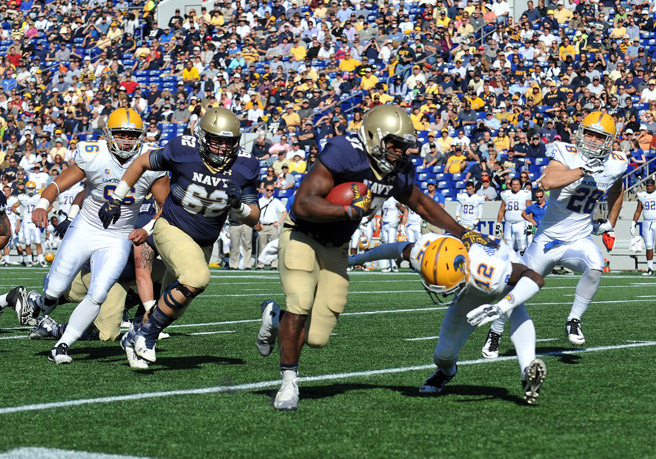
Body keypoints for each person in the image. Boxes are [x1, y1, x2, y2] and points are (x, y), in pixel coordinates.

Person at [255, 105, 497, 411]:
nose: (398, 152)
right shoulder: (344, 152)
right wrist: (345, 211)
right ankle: (289, 383)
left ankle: (275, 318)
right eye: (393, 144)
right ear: (372, 136)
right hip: (302, 234)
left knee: (316, 336)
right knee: (300, 301)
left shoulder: (397, 170)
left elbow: (420, 203)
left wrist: (463, 233)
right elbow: (303, 204)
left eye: (403, 146)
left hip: (337, 246)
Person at [99, 107, 261, 366]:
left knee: (172, 305)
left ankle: (133, 337)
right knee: (197, 278)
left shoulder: (246, 165)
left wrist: (239, 205)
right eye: (216, 140)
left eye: (228, 142)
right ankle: (149, 336)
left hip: (203, 241)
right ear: (202, 138)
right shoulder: (183, 150)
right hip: (172, 227)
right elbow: (141, 162)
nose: (221, 148)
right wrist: (117, 197)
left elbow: (254, 217)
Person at [29, 108, 169, 364]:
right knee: (55, 289)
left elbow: (166, 207)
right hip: (86, 228)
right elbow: (60, 184)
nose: (126, 140)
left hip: (118, 236)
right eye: (121, 134)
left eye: (132, 135)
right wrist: (42, 204)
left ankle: (62, 346)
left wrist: (146, 229)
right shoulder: (94, 155)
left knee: (99, 293)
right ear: (108, 135)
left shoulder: (151, 163)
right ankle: (44, 301)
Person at [482, 111, 627, 353]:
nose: (591, 140)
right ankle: (495, 332)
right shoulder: (566, 153)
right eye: (588, 133)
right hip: (547, 241)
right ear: (580, 133)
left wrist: (610, 221)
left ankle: (573, 321)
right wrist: (582, 170)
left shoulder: (616, 162)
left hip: (578, 239)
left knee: (595, 265)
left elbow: (617, 188)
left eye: (598, 137)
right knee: (518, 289)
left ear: (609, 142)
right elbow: (547, 182)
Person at [348, 232, 546, 403]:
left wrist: (501, 307)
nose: (443, 295)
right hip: (471, 283)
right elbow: (396, 248)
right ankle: (446, 371)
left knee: (517, 309)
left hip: (506, 271)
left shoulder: (487, 271)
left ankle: (527, 370)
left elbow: (534, 278)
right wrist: (355, 260)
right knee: (443, 355)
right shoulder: (425, 251)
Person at [11, 181, 51, 267]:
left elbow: (50, 206)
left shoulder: (38, 197)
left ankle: (41, 260)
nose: (30, 190)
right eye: (29, 188)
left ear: (35, 188)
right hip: (26, 223)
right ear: (26, 189)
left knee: (38, 242)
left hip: (35, 222)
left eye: (32, 188)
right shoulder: (22, 197)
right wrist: (20, 214)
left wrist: (42, 213)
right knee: (27, 242)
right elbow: (13, 207)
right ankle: (29, 261)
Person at [495, 177, 533, 254]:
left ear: (520, 185)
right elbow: (502, 210)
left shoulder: (525, 194)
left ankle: (522, 264)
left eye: (517, 184)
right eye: (513, 184)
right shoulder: (506, 194)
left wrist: (530, 222)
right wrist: (498, 223)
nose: (515, 186)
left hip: (521, 223)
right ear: (511, 185)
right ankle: (510, 264)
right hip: (508, 224)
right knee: (508, 246)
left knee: (522, 245)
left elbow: (530, 209)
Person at [256, 185, 287, 270]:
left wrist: (280, 222)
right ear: (265, 190)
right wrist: (258, 222)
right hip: (263, 226)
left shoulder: (276, 201)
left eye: (271, 190)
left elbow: (284, 211)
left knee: (274, 246)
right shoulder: (260, 201)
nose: (269, 191)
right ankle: (260, 265)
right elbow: (256, 212)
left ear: (273, 191)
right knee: (262, 246)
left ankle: (274, 265)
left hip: (272, 226)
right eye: (268, 190)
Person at [631, 178, 656, 276]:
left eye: (650, 186)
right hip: (646, 223)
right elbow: (638, 210)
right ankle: (650, 269)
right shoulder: (642, 195)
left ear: (654, 186)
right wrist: (633, 223)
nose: (649, 188)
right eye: (647, 186)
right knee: (649, 246)